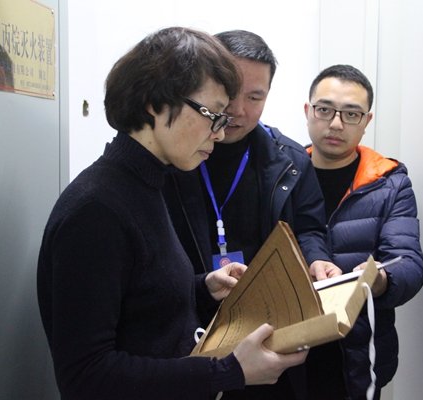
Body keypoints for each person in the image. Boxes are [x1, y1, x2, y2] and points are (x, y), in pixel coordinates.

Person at [36, 27, 307, 400]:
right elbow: (85, 376)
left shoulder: (147, 185)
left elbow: (140, 308)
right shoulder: (96, 210)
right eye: (213, 114)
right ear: (154, 102)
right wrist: (227, 371)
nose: (220, 133)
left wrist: (201, 289)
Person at [162, 29, 340, 400]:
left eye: (255, 97)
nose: (238, 110)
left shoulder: (290, 160)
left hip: (268, 331)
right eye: (229, 93)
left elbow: (310, 229)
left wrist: (317, 259)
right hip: (186, 329)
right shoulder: (170, 159)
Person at [304, 65, 423, 400]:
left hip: (355, 357)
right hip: (285, 355)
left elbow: (410, 263)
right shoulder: (282, 176)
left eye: (351, 114)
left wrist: (381, 279)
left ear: (366, 121)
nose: (336, 124)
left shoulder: (390, 184)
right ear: (308, 111)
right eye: (325, 109)